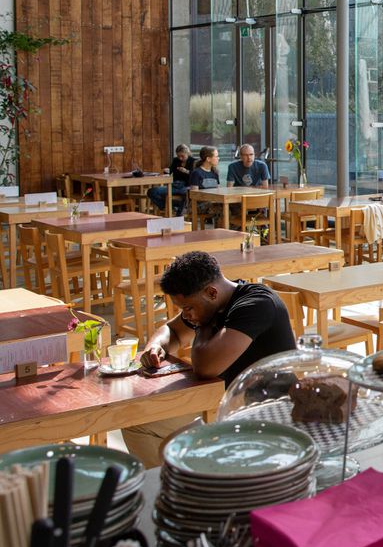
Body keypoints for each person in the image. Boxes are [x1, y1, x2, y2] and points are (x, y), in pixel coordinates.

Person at [125, 251, 296, 466]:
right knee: (135, 420)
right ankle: (174, 484)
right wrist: (155, 346)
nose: (187, 315)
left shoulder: (256, 304)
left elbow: (205, 367)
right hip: (224, 397)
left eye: (188, 308)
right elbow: (172, 331)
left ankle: (178, 483)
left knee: (140, 424)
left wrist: (200, 325)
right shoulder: (211, 302)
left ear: (212, 292)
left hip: (262, 406)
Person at [149, 143, 193, 214]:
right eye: (178, 156)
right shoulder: (176, 160)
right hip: (174, 185)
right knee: (152, 191)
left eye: (182, 156)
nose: (180, 158)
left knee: (187, 194)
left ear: (187, 153)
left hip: (186, 186)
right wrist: (167, 171)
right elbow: (170, 170)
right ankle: (169, 206)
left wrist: (187, 171)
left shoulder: (193, 161)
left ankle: (178, 213)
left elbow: (196, 175)